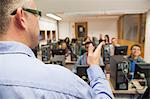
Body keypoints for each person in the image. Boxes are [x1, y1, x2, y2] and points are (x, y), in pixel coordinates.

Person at [0, 0, 114, 98]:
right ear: (22, 17)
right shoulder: (61, 83)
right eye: (37, 14)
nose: (38, 20)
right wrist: (94, 67)